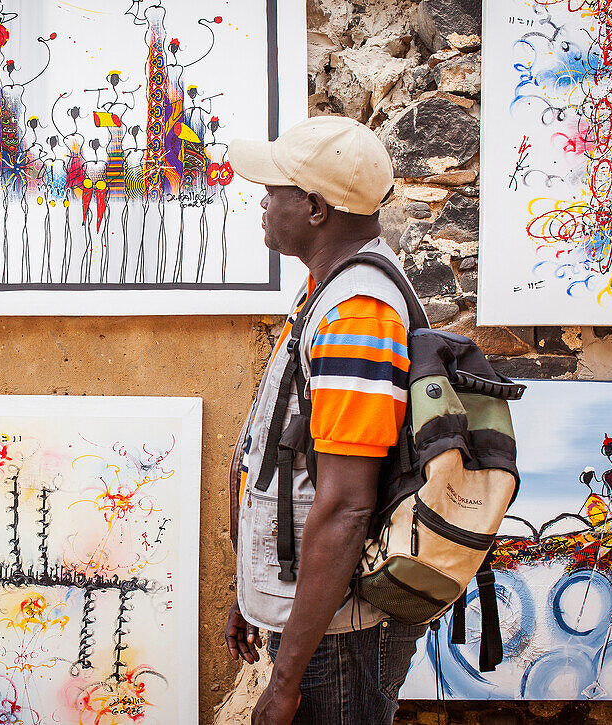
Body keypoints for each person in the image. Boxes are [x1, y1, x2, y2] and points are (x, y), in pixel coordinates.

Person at [224, 116, 427, 724]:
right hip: (318, 624)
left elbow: (346, 507)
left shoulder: (356, 313)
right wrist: (254, 594)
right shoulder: (328, 290)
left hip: (341, 642)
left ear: (314, 208)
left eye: (274, 189)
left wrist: (285, 684)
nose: (262, 201)